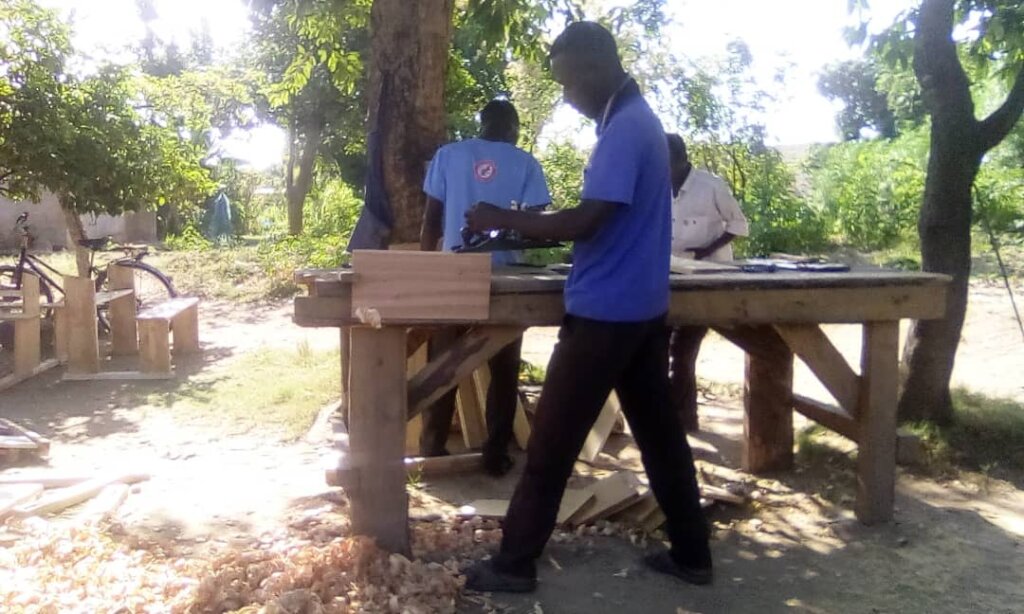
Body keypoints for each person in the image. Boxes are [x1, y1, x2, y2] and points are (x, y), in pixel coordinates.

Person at [462, 22, 712, 592]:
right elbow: (601, 219)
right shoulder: (637, 121)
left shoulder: (626, 129)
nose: (567, 96)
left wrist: (501, 217)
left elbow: (587, 220)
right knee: (660, 437)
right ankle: (693, 554)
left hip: (606, 315)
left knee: (551, 443)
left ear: (597, 68)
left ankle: (513, 564)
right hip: (640, 309)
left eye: (568, 82)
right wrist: (522, 226)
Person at [418, 99, 552, 476]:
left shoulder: (449, 155)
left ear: (482, 124)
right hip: (505, 278)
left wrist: (424, 269)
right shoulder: (525, 163)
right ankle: (495, 453)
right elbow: (536, 226)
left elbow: (431, 220)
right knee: (504, 368)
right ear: (514, 129)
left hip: (453, 274)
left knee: (443, 363)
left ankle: (432, 447)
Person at [666, 132, 749, 432]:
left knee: (683, 351)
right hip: (671, 277)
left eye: (666, 162)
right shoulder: (656, 186)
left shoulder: (711, 186)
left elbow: (739, 224)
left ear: (681, 160)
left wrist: (707, 250)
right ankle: (671, 419)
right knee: (658, 349)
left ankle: (684, 421)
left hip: (708, 279)